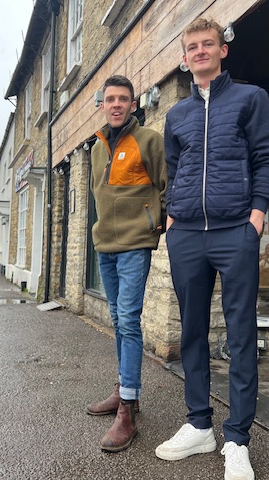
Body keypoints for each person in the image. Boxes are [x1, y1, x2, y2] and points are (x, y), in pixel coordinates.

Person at [154, 17, 269, 480]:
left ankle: (237, 439)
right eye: (192, 47)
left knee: (240, 333)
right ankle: (199, 424)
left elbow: (265, 159)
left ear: (223, 49)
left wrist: (256, 216)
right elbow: (174, 170)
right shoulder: (176, 115)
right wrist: (172, 219)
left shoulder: (251, 99)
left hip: (234, 231)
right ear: (185, 59)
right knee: (191, 331)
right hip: (187, 233)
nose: (200, 51)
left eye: (208, 44)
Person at [86, 75, 167, 452]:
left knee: (129, 320)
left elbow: (167, 184)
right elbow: (97, 195)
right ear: (103, 105)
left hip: (135, 243)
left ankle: (127, 411)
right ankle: (124, 390)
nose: (116, 104)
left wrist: (157, 221)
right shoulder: (96, 148)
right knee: (117, 319)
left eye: (123, 99)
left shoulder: (149, 140)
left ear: (133, 105)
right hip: (105, 244)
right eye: (110, 99)